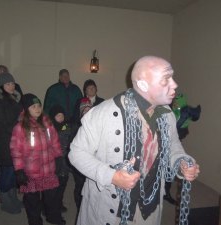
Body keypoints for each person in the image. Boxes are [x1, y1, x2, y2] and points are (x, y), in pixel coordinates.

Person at [68, 56, 200, 225]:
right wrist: (112, 176)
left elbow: (173, 145)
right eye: (166, 79)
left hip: (150, 208)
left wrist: (181, 161)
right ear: (143, 84)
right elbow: (76, 153)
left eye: (172, 78)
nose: (174, 84)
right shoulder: (102, 113)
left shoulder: (167, 115)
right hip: (110, 208)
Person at [10, 93, 65, 225]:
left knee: (51, 198)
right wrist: (19, 170)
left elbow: (55, 142)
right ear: (26, 109)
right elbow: (16, 150)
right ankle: (35, 221)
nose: (37, 109)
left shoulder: (47, 123)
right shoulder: (20, 127)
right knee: (32, 201)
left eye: (39, 105)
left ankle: (52, 216)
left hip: (48, 169)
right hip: (31, 173)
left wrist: (58, 157)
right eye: (33, 106)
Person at [0, 72, 23, 214]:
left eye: (12, 83)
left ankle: (12, 198)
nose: (11, 86)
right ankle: (6, 201)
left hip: (14, 141)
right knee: (8, 172)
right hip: (5, 143)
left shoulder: (13, 99)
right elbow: (3, 125)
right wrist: (20, 128)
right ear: (1, 86)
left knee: (12, 172)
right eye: (7, 84)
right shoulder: (0, 102)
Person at [49, 104, 73, 213]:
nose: (60, 117)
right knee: (54, 187)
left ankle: (59, 202)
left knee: (63, 184)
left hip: (65, 162)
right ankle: (52, 206)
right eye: (58, 115)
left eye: (62, 115)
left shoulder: (67, 127)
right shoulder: (49, 130)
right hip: (55, 163)